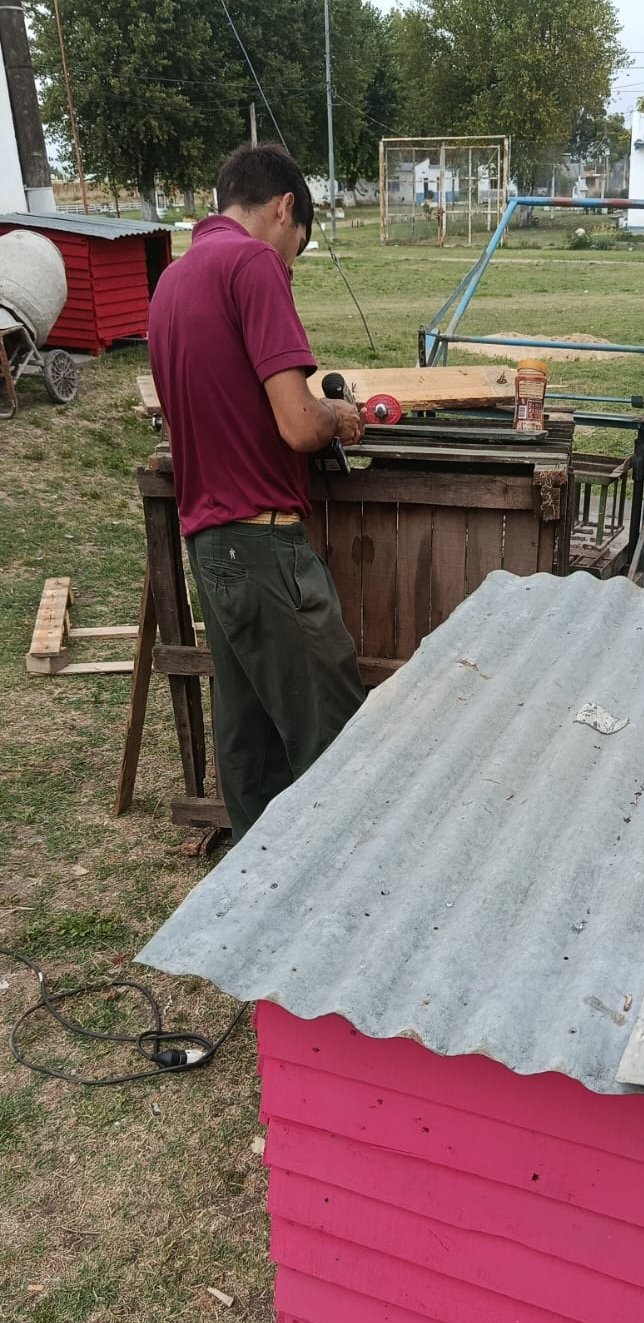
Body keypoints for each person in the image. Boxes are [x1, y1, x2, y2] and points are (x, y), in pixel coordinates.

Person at [148, 144, 366, 843]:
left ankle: (256, 880)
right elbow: (298, 424)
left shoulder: (174, 281)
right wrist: (336, 415)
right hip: (264, 545)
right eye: (297, 242)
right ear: (284, 208)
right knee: (330, 732)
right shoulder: (253, 265)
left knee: (249, 741)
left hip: (212, 547)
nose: (291, 260)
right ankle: (344, 887)